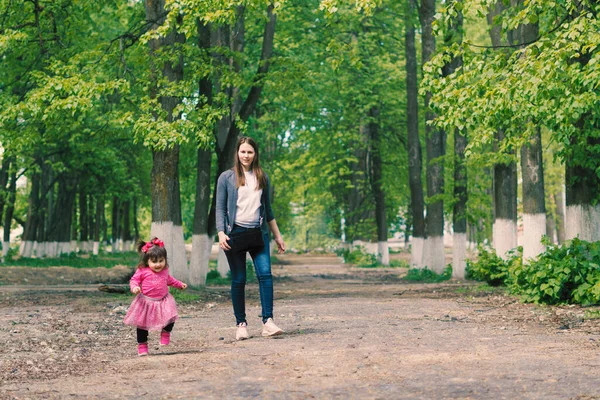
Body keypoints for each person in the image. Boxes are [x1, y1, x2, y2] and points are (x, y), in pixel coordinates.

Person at [216, 136, 286, 340]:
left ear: (255, 154)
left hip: (259, 234)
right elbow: (219, 208)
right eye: (243, 151)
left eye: (250, 152)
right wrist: (221, 232)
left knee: (265, 275)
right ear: (237, 153)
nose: (246, 155)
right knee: (239, 279)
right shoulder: (226, 177)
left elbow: (268, 210)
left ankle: (268, 322)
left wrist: (277, 236)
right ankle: (241, 324)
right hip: (234, 234)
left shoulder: (262, 177)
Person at [123, 237, 188, 356]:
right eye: (154, 261)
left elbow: (170, 280)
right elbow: (134, 280)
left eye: (161, 261)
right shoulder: (142, 270)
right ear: (147, 261)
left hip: (163, 300)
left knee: (171, 316)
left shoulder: (165, 270)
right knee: (142, 325)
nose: (158, 264)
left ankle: (166, 332)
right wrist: (135, 287)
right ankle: (142, 345)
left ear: (165, 260)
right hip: (146, 302)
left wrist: (179, 285)